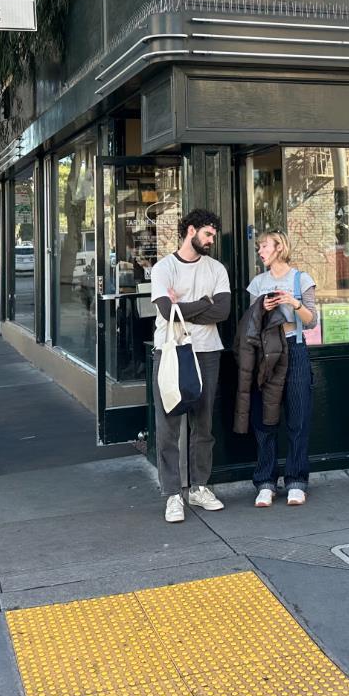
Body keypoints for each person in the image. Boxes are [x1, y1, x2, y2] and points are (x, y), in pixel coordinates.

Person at [151, 209, 231, 523]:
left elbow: (223, 311)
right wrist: (204, 304)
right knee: (168, 425)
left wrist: (182, 307)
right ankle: (173, 494)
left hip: (208, 352)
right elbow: (163, 309)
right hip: (171, 351)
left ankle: (199, 487)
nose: (211, 241)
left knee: (204, 423)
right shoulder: (163, 268)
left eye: (214, 236)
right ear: (191, 231)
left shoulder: (216, 269)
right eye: (208, 234)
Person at [243, 232, 317, 507]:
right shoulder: (258, 283)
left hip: (295, 349)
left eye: (264, 246)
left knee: (298, 417)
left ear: (279, 248)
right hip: (267, 354)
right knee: (265, 420)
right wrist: (262, 307)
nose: (260, 251)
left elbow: (311, 321)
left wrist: (293, 302)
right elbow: (251, 324)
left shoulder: (301, 279)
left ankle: (297, 481)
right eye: (260, 246)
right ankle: (266, 481)